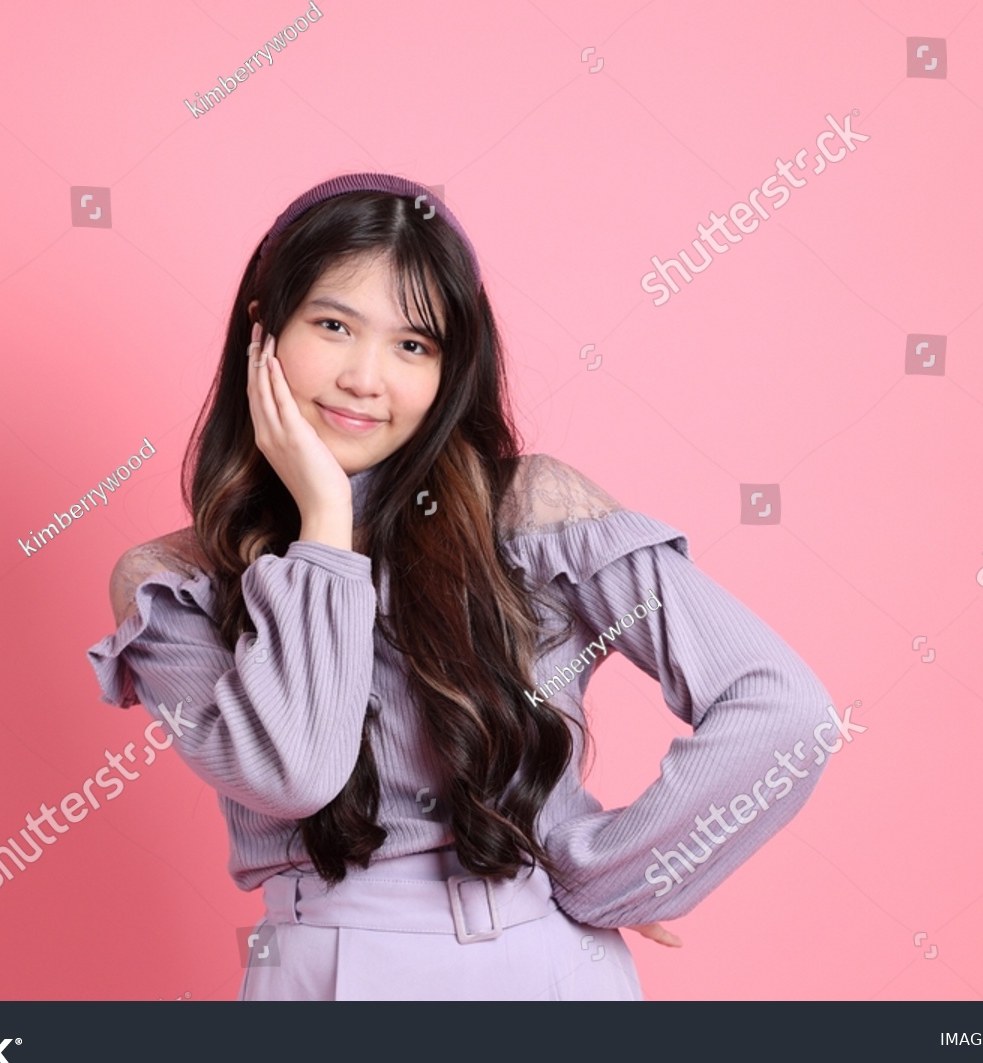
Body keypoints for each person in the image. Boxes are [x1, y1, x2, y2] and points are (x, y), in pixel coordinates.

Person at [85, 172, 836, 1000]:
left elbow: (783, 708)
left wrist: (607, 878)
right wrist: (325, 522)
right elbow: (297, 772)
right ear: (262, 330)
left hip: (539, 967)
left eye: (414, 345)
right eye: (334, 326)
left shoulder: (527, 512)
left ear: (450, 368)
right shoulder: (172, 582)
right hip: (323, 974)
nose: (366, 378)